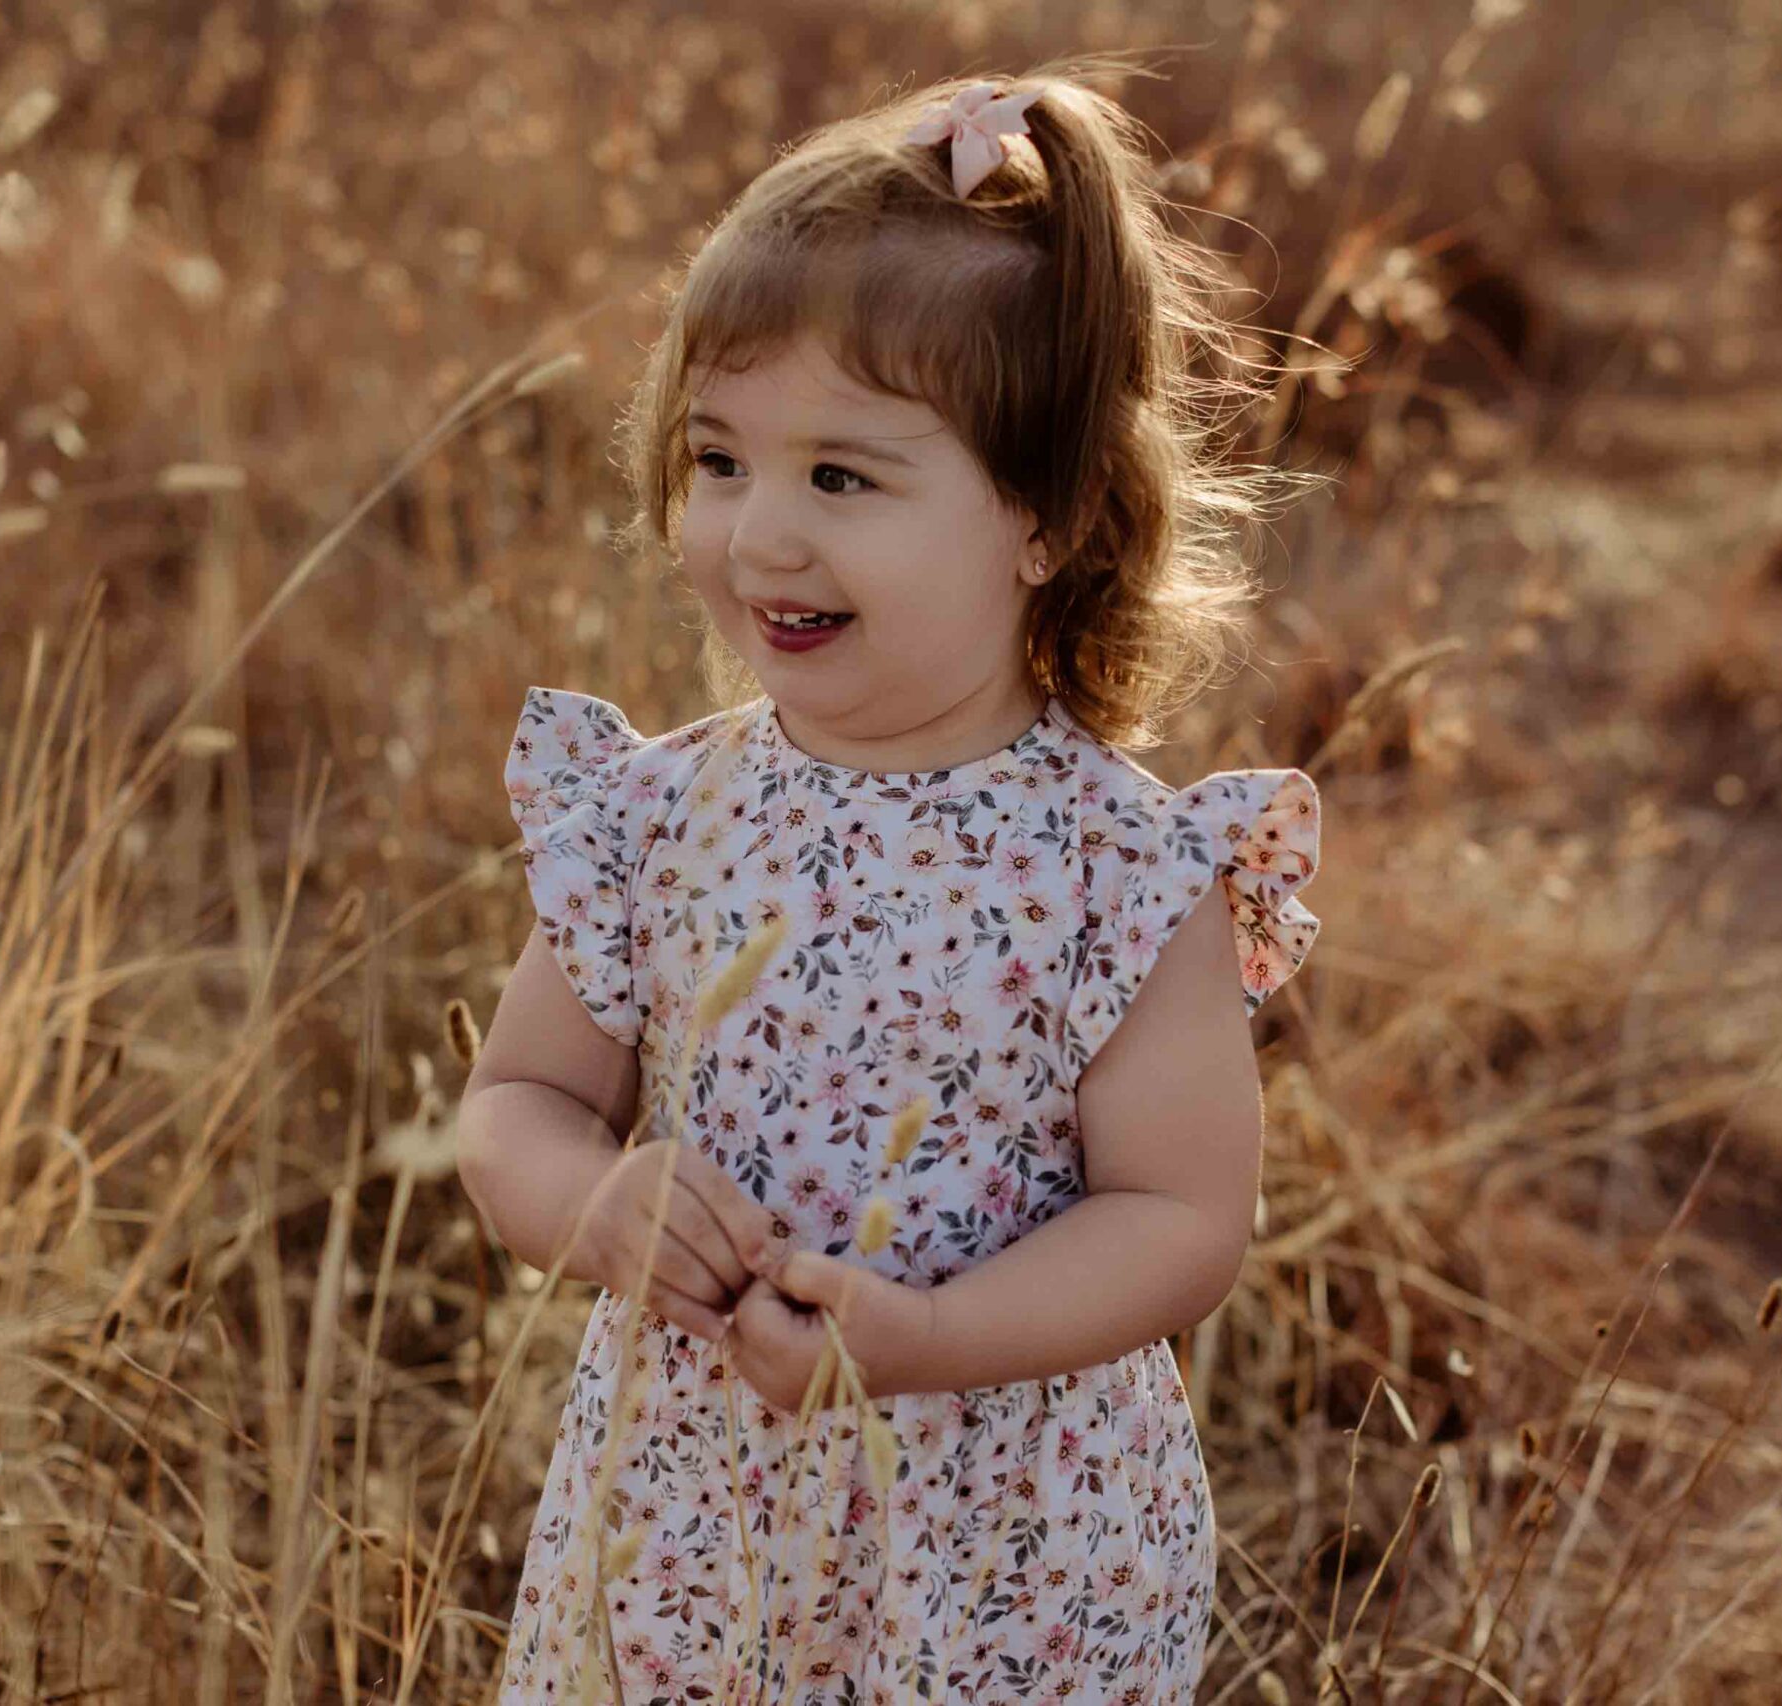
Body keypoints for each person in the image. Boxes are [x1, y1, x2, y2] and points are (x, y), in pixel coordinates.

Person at [454, 58, 1325, 1704]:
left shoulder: (1121, 872)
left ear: (1049, 520)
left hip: (1006, 1555)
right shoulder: (661, 818)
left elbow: (1183, 1216)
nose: (757, 535)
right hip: (690, 1536)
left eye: (841, 477)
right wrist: (592, 1199)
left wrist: (922, 1338)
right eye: (718, 460)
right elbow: (513, 1101)